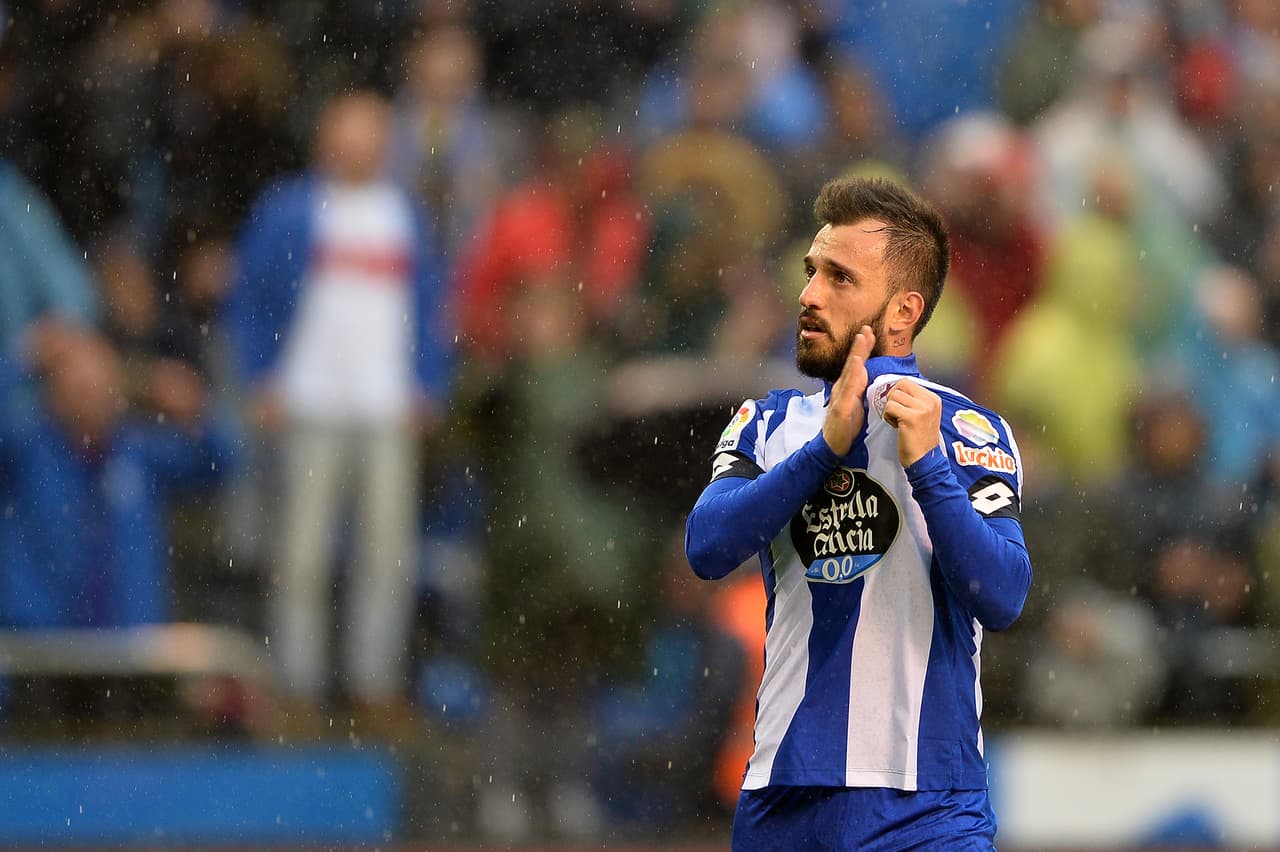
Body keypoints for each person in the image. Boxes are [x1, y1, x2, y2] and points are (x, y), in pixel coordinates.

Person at [684, 177, 1033, 849]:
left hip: (927, 806)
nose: (809, 295)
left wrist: (928, 469)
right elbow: (707, 547)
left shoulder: (966, 428)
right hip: (784, 801)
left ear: (902, 312)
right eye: (811, 271)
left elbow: (1004, 594)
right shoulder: (767, 422)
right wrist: (823, 451)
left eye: (840, 278)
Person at [226, 90, 451, 730]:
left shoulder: (403, 215)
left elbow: (429, 307)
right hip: (310, 402)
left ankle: (373, 683)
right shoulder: (290, 209)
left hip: (386, 407)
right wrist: (259, 377)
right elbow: (250, 296)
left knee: (387, 554)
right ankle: (297, 685)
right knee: (300, 553)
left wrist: (428, 382)